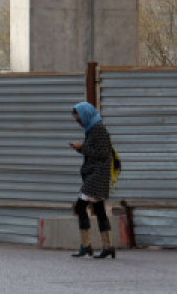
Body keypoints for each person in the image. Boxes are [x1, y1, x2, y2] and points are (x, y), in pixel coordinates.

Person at [69, 102, 115, 259]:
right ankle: (107, 247)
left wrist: (82, 147)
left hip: (98, 176)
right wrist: (81, 148)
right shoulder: (92, 129)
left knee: (80, 207)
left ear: (86, 115)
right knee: (100, 210)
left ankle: (86, 246)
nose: (79, 123)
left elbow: (103, 153)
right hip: (95, 175)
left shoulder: (98, 129)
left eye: (79, 119)